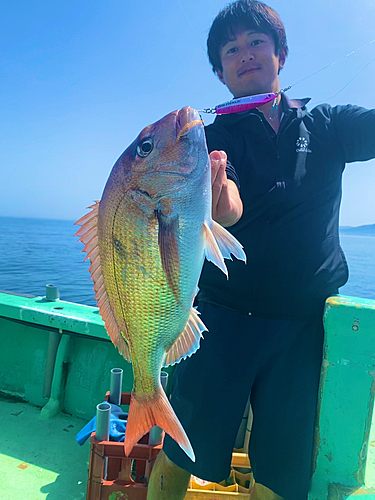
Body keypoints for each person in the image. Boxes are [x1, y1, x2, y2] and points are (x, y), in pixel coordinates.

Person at [147, 1, 375, 499]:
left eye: (256, 43)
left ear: (281, 55)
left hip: (302, 325)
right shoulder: (205, 138)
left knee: (283, 467)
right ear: (220, 70)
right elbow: (227, 211)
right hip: (221, 319)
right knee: (182, 450)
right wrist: (219, 199)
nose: (245, 54)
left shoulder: (327, 123)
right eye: (231, 49)